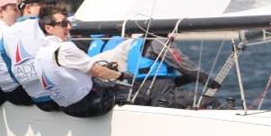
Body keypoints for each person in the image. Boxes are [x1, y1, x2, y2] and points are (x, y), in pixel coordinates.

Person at [34, 5, 131, 118]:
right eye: (63, 24)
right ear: (48, 28)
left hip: (66, 108)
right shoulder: (64, 48)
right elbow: (99, 72)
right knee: (131, 91)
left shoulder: (39, 55)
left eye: (68, 22)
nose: (69, 27)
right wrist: (122, 75)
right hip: (91, 104)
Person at [87, 35, 220, 109]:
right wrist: (208, 81)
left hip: (140, 93)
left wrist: (187, 78)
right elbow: (183, 63)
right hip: (162, 94)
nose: (172, 36)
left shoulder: (135, 43)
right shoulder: (158, 41)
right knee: (212, 103)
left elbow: (151, 76)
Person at [0, 0, 59, 110]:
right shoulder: (44, 25)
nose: (48, 11)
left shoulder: (4, 36)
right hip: (57, 96)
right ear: (28, 8)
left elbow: (11, 72)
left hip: (37, 99)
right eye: (43, 7)